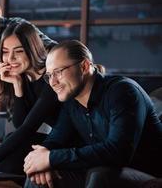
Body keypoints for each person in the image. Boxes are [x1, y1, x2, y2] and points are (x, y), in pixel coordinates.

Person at [23, 40, 162, 188]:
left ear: (84, 66)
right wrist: (43, 154)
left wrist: (50, 158)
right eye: (49, 75)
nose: (53, 82)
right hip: (103, 171)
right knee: (38, 176)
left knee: (101, 174)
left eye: (58, 72)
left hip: (150, 175)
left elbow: (118, 152)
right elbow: (56, 138)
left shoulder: (123, 92)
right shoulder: (72, 102)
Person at [0, 22, 60, 177]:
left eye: (18, 51)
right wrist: (17, 84)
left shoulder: (50, 76)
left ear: (33, 49)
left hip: (73, 139)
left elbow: (28, 127)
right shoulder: (24, 76)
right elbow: (20, 123)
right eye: (5, 52)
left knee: (14, 151)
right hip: (55, 138)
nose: (10, 59)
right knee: (13, 142)